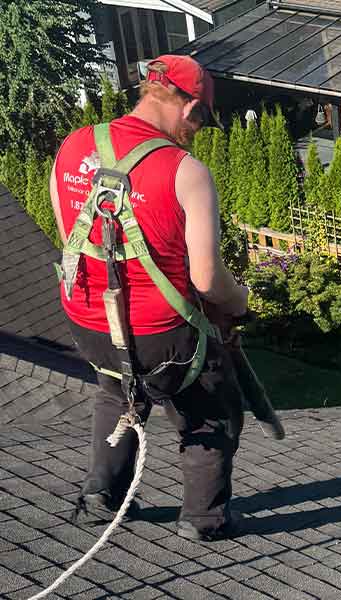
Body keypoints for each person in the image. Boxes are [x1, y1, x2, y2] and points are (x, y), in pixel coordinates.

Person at [50, 55, 249, 541]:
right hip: (161, 338)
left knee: (117, 389)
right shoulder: (186, 171)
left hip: (90, 324)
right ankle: (204, 520)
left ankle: (100, 495)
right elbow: (205, 279)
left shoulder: (75, 145)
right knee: (213, 408)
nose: (198, 131)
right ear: (191, 110)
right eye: (201, 121)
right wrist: (239, 300)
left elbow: (70, 238)